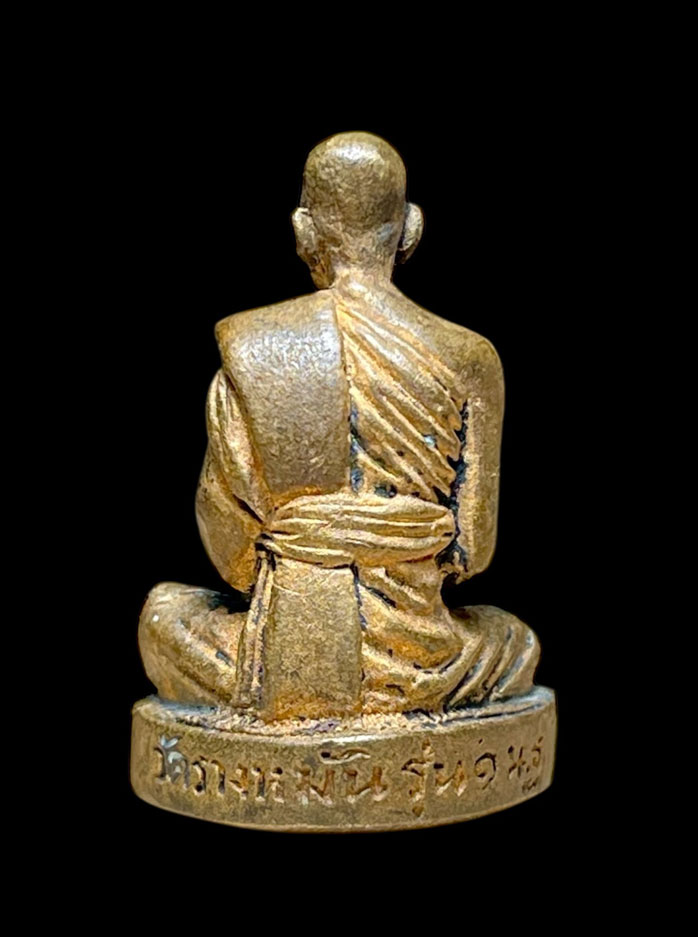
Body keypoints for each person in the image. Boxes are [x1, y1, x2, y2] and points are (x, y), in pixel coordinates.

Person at [139, 131, 539, 722]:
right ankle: (397, 694)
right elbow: (472, 551)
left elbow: (231, 552)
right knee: (513, 640)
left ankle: (293, 699)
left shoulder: (256, 348)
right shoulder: (471, 358)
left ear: (303, 230)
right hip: (428, 658)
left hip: (283, 642)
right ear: (411, 229)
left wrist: (312, 545)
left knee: (165, 614)